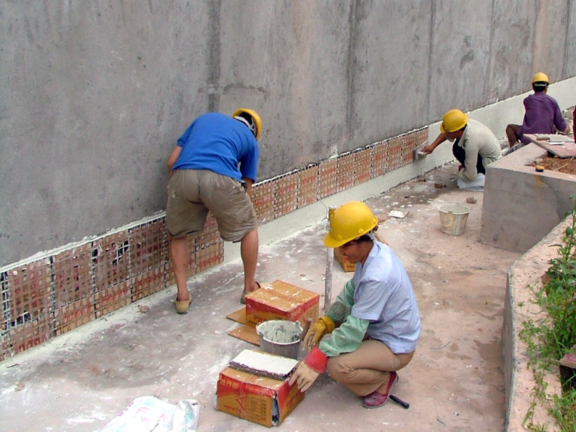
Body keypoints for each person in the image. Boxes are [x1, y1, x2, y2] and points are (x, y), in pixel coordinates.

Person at [289, 201, 421, 409]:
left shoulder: (378, 275)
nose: (342, 252)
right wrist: (329, 320)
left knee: (336, 365)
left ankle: (382, 381)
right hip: (380, 330)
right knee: (331, 340)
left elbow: (354, 330)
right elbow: (351, 293)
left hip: (396, 345)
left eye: (346, 245)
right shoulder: (372, 254)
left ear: (363, 241)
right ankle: (371, 363)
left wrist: (318, 357)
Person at [166, 109, 262, 314]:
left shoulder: (204, 119)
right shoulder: (251, 141)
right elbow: (247, 187)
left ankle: (182, 296)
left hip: (183, 175)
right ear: (254, 130)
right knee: (249, 227)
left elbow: (171, 162)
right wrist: (229, 207)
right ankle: (249, 288)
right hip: (221, 178)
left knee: (178, 234)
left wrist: (187, 191)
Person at [422, 109, 501, 190]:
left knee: (459, 152)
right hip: (487, 155)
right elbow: (446, 133)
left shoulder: (471, 142)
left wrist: (462, 171)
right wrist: (432, 146)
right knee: (457, 148)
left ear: (455, 132)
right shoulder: (463, 124)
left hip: (491, 167)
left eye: (448, 132)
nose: (446, 134)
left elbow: (471, 176)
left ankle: (480, 173)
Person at [505, 72, 571, 153]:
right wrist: (567, 129)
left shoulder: (527, 100)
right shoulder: (552, 101)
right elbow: (561, 126)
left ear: (532, 87)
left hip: (528, 138)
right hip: (546, 139)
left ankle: (515, 149)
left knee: (510, 128)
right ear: (546, 88)